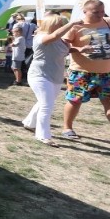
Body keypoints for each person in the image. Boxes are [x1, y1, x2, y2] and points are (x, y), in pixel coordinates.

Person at [61, 0, 110, 146]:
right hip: (81, 72)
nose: (100, 14)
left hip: (107, 72)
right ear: (85, 11)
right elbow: (63, 46)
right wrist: (79, 49)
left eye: (102, 11)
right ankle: (67, 128)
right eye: (96, 12)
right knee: (75, 101)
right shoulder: (75, 26)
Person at [21, 15, 81, 146]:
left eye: (64, 25)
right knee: (46, 105)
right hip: (39, 75)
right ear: (52, 25)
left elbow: (64, 50)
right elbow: (53, 38)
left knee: (44, 102)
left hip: (56, 76)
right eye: (61, 25)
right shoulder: (41, 37)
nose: (63, 28)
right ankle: (43, 135)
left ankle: (29, 123)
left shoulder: (62, 40)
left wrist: (81, 49)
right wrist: (72, 24)